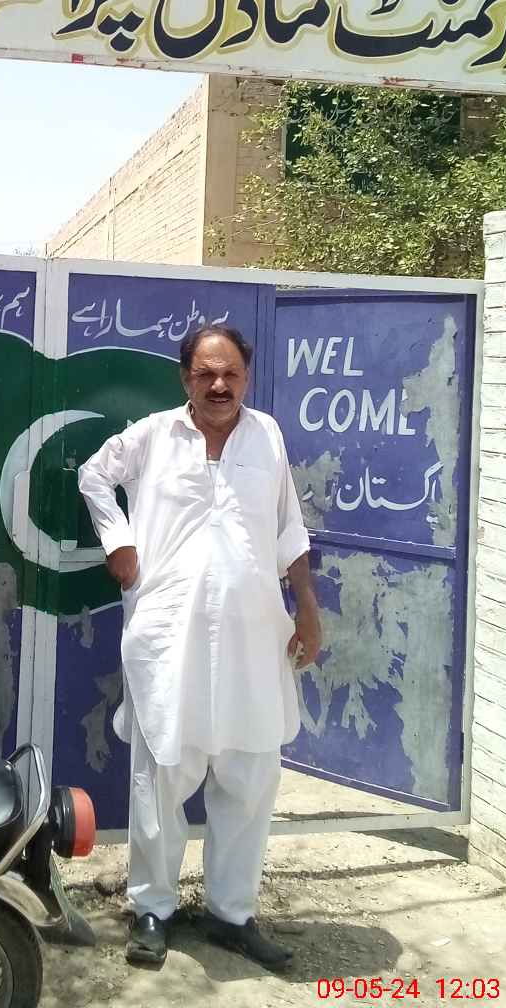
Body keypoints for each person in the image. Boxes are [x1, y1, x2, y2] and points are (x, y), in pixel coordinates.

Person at [77, 326, 321, 971]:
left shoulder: (267, 436)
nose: (219, 385)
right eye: (206, 373)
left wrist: (307, 607)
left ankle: (231, 914)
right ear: (185, 377)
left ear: (246, 377)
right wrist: (118, 542)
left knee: (250, 775)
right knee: (161, 775)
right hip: (169, 637)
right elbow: (94, 475)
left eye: (231, 373)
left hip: (253, 636)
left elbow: (289, 527)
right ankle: (151, 909)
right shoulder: (155, 435)